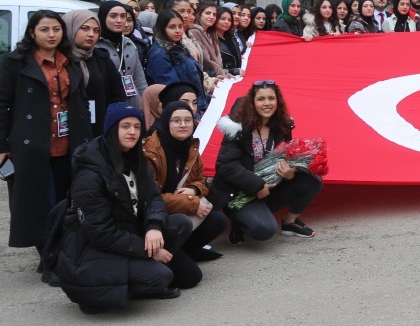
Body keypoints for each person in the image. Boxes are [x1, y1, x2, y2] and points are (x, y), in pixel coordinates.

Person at [51, 103, 194, 313]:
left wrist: (154, 226)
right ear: (112, 129)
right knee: (161, 277)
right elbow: (100, 232)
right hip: (91, 251)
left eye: (137, 126)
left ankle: (143, 275)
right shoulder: (90, 173)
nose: (132, 132)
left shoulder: (136, 158)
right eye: (125, 126)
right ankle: (100, 294)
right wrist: (147, 251)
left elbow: (154, 197)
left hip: (127, 233)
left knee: (181, 225)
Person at [0, 11, 93, 273]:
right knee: (41, 204)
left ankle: (62, 253)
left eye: (56, 29)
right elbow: (2, 105)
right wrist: (2, 146)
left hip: (69, 143)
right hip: (33, 145)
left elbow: (81, 102)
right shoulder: (13, 63)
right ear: (32, 32)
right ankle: (50, 259)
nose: (51, 35)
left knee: (67, 201)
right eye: (44, 30)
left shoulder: (71, 61)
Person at [210, 81, 322, 243]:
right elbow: (226, 167)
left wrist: (291, 171)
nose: (267, 103)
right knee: (264, 230)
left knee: (312, 179)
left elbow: (287, 155)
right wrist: (257, 185)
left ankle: (289, 223)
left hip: (269, 187)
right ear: (252, 103)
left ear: (278, 101)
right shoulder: (238, 129)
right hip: (240, 193)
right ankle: (239, 221)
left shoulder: (283, 125)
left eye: (271, 98)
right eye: (261, 99)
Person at [143, 100, 225, 266]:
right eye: (176, 121)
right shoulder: (150, 152)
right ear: (166, 122)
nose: (183, 125)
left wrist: (194, 190)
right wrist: (190, 203)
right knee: (191, 275)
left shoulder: (190, 147)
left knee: (218, 220)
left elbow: (200, 181)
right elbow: (149, 197)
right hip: (153, 216)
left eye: (187, 120)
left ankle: (185, 252)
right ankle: (166, 259)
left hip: (177, 208)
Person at [65, 10, 126, 136]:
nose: (91, 34)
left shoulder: (102, 58)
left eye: (96, 30)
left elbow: (117, 94)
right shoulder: (60, 59)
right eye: (84, 29)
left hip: (99, 128)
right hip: (68, 129)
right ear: (70, 28)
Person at [146, 10, 208, 113]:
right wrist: (193, 112)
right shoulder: (159, 54)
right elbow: (173, 90)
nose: (178, 31)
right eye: (172, 27)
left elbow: (194, 76)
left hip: (195, 105)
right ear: (162, 29)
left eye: (180, 26)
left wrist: (205, 99)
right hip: (182, 110)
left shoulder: (179, 47)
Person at [96, 0, 148, 110]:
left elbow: (140, 81)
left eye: (123, 16)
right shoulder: (96, 46)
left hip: (133, 105)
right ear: (103, 17)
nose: (119, 20)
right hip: (107, 106)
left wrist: (144, 107)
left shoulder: (129, 44)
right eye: (113, 16)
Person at [214, 8, 242, 75]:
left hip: (237, 74)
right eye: (223, 19)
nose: (227, 22)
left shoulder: (231, 36)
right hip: (224, 76)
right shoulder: (210, 39)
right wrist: (232, 71)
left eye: (229, 20)